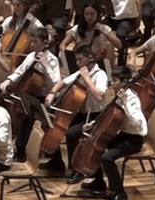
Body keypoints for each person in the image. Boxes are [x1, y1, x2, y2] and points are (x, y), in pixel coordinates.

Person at [75, 66, 147, 200]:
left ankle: (119, 192)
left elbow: (140, 125)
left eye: (115, 80)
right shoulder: (118, 95)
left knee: (107, 158)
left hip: (133, 140)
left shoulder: (132, 99)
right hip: (123, 135)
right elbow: (108, 114)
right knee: (97, 148)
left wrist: (126, 104)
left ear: (125, 82)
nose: (111, 83)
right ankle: (99, 182)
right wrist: (93, 124)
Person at [45, 44, 109, 178]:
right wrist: (52, 93)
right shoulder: (81, 71)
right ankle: (57, 163)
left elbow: (99, 96)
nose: (77, 63)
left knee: (72, 134)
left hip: (96, 116)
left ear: (90, 58)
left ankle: (77, 169)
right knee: (49, 123)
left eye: (80, 59)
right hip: (82, 112)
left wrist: (87, 79)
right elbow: (62, 83)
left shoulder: (100, 75)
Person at [0, 26, 61, 161]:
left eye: (35, 42)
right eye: (31, 41)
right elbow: (19, 72)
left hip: (46, 98)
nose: (32, 45)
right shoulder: (30, 56)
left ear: (45, 42)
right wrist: (8, 81)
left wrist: (46, 66)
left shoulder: (52, 60)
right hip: (30, 94)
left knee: (43, 126)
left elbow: (57, 83)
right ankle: (21, 150)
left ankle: (56, 160)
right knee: (26, 120)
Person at [103, 0, 146, 66]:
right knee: (99, 29)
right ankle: (105, 59)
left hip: (128, 19)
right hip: (112, 17)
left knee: (120, 34)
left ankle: (121, 63)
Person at [62, 2, 121, 73]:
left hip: (97, 63)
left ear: (97, 14)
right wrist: (66, 54)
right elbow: (63, 44)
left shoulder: (104, 28)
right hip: (80, 63)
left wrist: (106, 33)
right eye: (86, 14)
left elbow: (119, 45)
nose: (89, 17)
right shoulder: (77, 28)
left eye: (92, 14)